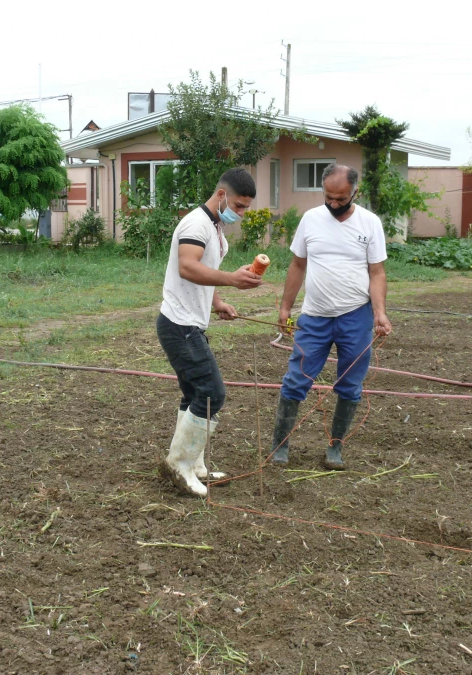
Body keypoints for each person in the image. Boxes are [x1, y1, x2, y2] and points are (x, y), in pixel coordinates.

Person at [271, 164, 392, 470]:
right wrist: (286, 306)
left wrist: (380, 313)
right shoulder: (311, 219)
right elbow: (298, 265)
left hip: (356, 317)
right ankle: (279, 446)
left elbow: (376, 272)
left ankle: (335, 448)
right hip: (314, 317)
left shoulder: (370, 223)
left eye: (341, 198)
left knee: (350, 385)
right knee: (296, 380)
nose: (334, 204)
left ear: (355, 192)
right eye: (329, 197)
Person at [157, 168, 263, 497]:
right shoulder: (196, 224)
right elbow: (187, 266)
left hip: (190, 323)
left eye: (245, 207)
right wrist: (232, 278)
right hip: (179, 325)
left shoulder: (215, 227)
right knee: (211, 393)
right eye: (239, 206)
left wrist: (217, 301)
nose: (241, 213)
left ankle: (194, 463)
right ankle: (179, 465)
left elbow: (204, 272)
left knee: (194, 395)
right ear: (221, 195)